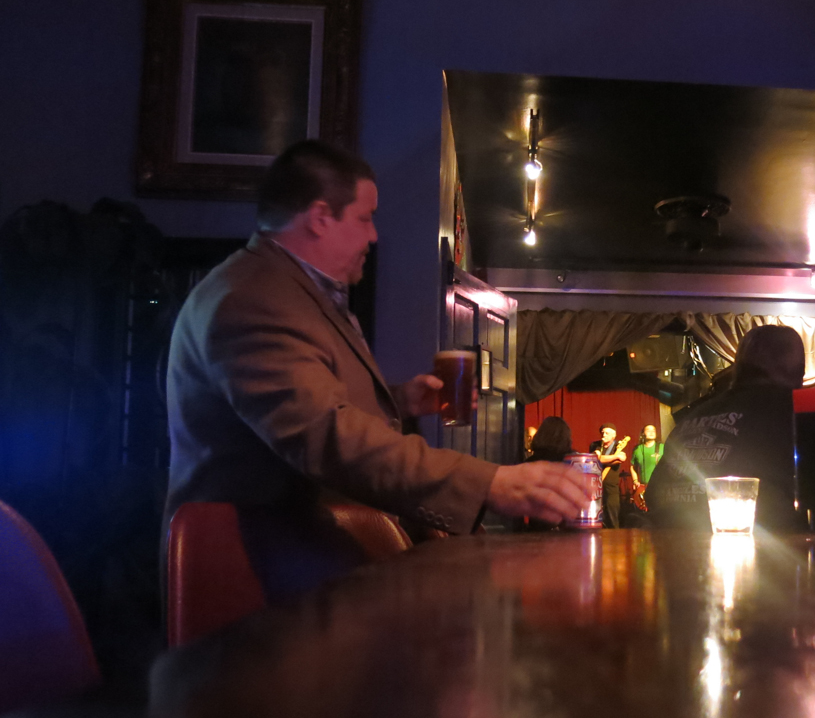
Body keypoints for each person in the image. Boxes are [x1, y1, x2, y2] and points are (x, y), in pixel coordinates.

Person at [165, 140, 589, 555]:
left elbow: (309, 408)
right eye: (365, 218)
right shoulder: (253, 299)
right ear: (320, 218)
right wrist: (490, 482)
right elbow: (324, 437)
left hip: (302, 556)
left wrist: (400, 401)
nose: (372, 235)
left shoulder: (289, 290)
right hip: (263, 568)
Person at [646, 325, 806, 533]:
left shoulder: (695, 415)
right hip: (759, 546)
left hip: (671, 544)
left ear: (738, 366)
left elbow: (653, 494)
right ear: (798, 370)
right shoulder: (792, 413)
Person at [589, 423, 629, 528]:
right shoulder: (595, 445)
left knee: (612, 518)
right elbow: (598, 458)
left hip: (612, 489)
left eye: (607, 433)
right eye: (603, 433)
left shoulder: (618, 445)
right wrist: (615, 457)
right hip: (596, 487)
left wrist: (605, 459)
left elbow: (622, 459)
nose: (604, 435)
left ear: (614, 435)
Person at [629, 424, 664, 509]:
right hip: (644, 487)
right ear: (643, 434)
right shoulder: (637, 449)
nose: (651, 432)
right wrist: (635, 480)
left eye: (653, 430)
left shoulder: (662, 447)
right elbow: (632, 466)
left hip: (659, 486)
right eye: (648, 430)